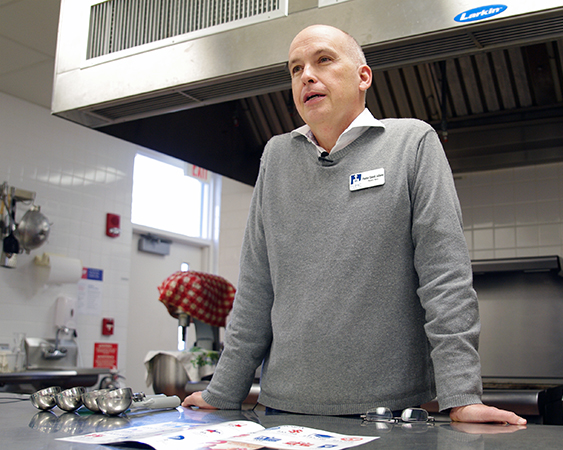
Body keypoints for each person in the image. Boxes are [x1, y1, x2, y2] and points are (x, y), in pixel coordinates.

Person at [182, 24, 526, 425]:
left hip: (390, 412)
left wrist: (461, 396)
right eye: (295, 69)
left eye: (323, 60)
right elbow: (257, 287)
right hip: (282, 411)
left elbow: (445, 279)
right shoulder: (276, 157)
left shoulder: (412, 143)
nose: (307, 75)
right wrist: (222, 392)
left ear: (363, 77)